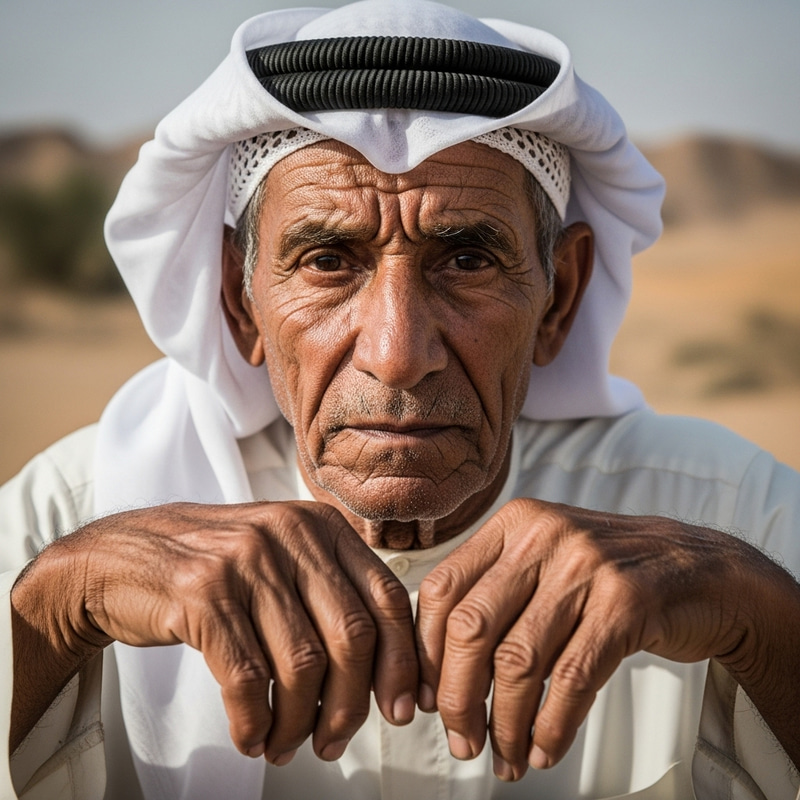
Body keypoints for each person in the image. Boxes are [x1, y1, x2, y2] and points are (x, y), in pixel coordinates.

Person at [2, 1, 799, 798]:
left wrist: (763, 626)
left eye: (465, 260)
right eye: (326, 260)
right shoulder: (64, 526)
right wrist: (49, 619)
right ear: (238, 302)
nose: (396, 355)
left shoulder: (737, 524)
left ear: (560, 297)